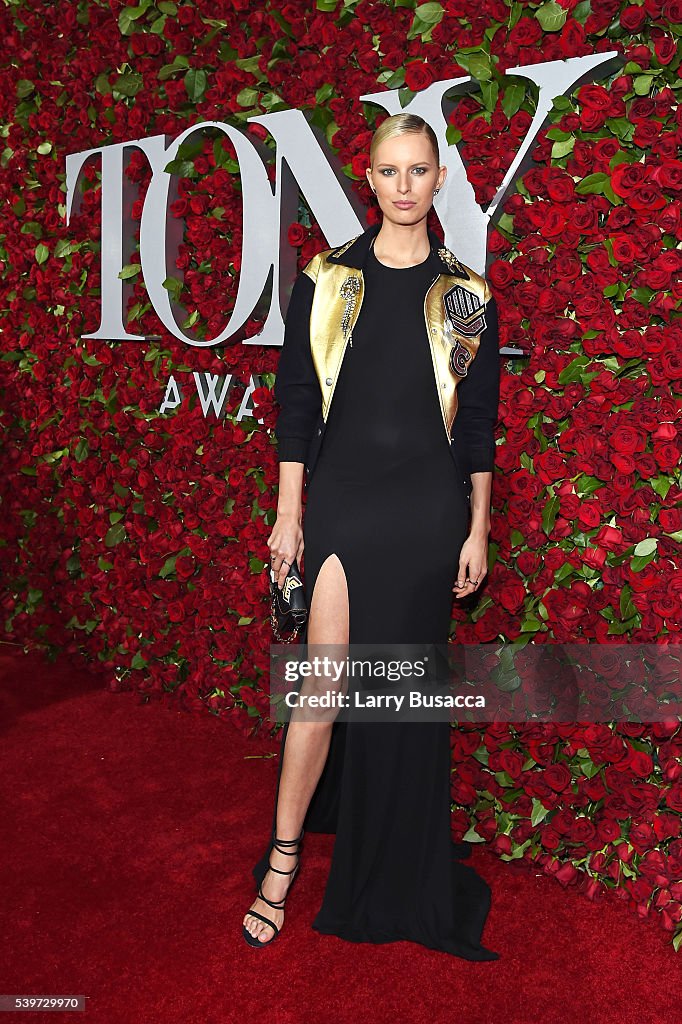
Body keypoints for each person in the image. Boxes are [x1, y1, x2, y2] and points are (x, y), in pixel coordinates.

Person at [242, 112, 501, 960]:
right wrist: (289, 514)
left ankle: (398, 865)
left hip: (428, 513)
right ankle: (280, 863)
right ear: (370, 178)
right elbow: (293, 409)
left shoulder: (468, 296)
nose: (402, 187)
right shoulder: (326, 278)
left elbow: (479, 430)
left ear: (439, 180)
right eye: (388, 171)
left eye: (418, 171)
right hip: (347, 504)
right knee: (321, 690)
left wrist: (478, 526)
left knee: (406, 698)